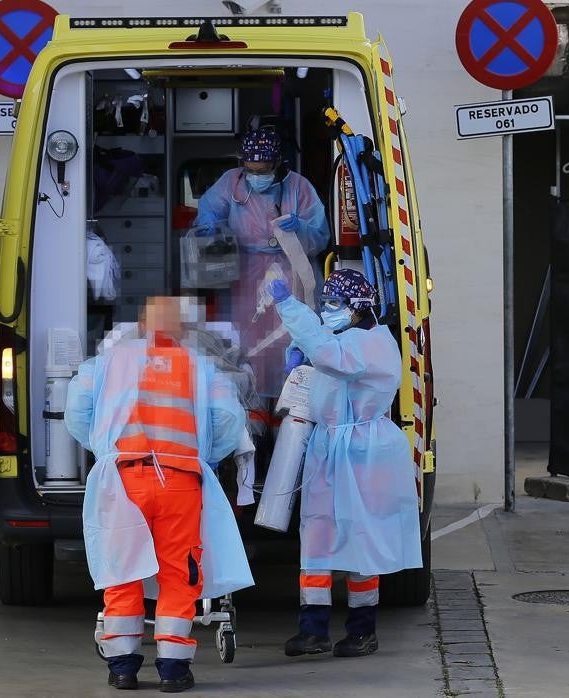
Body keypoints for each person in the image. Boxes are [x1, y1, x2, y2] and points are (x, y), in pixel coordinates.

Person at [65, 296, 252, 693]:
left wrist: (106, 450)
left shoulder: (107, 362)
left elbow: (76, 413)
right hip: (181, 480)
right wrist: (203, 458)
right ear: (183, 329)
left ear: (140, 324)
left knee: (121, 570)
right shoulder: (201, 366)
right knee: (179, 573)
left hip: (122, 479)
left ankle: (122, 668)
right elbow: (229, 422)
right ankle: (173, 669)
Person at [267, 270, 422, 659]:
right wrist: (303, 371)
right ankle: (313, 629)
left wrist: (290, 308)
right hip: (332, 446)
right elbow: (326, 363)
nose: (327, 310)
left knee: (361, 539)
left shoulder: (370, 344)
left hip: (365, 452)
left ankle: (362, 631)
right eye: (325, 303)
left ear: (357, 309)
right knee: (317, 535)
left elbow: (332, 358)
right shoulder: (348, 338)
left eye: (333, 304)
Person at [192, 127, 330, 399]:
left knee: (289, 337)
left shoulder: (299, 187)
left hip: (292, 274)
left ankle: (289, 404)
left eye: (262, 169)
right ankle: (250, 407)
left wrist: (300, 227)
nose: (256, 176)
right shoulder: (231, 182)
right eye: (250, 170)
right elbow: (209, 209)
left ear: (277, 162)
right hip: (243, 276)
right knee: (243, 339)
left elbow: (320, 236)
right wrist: (207, 226)